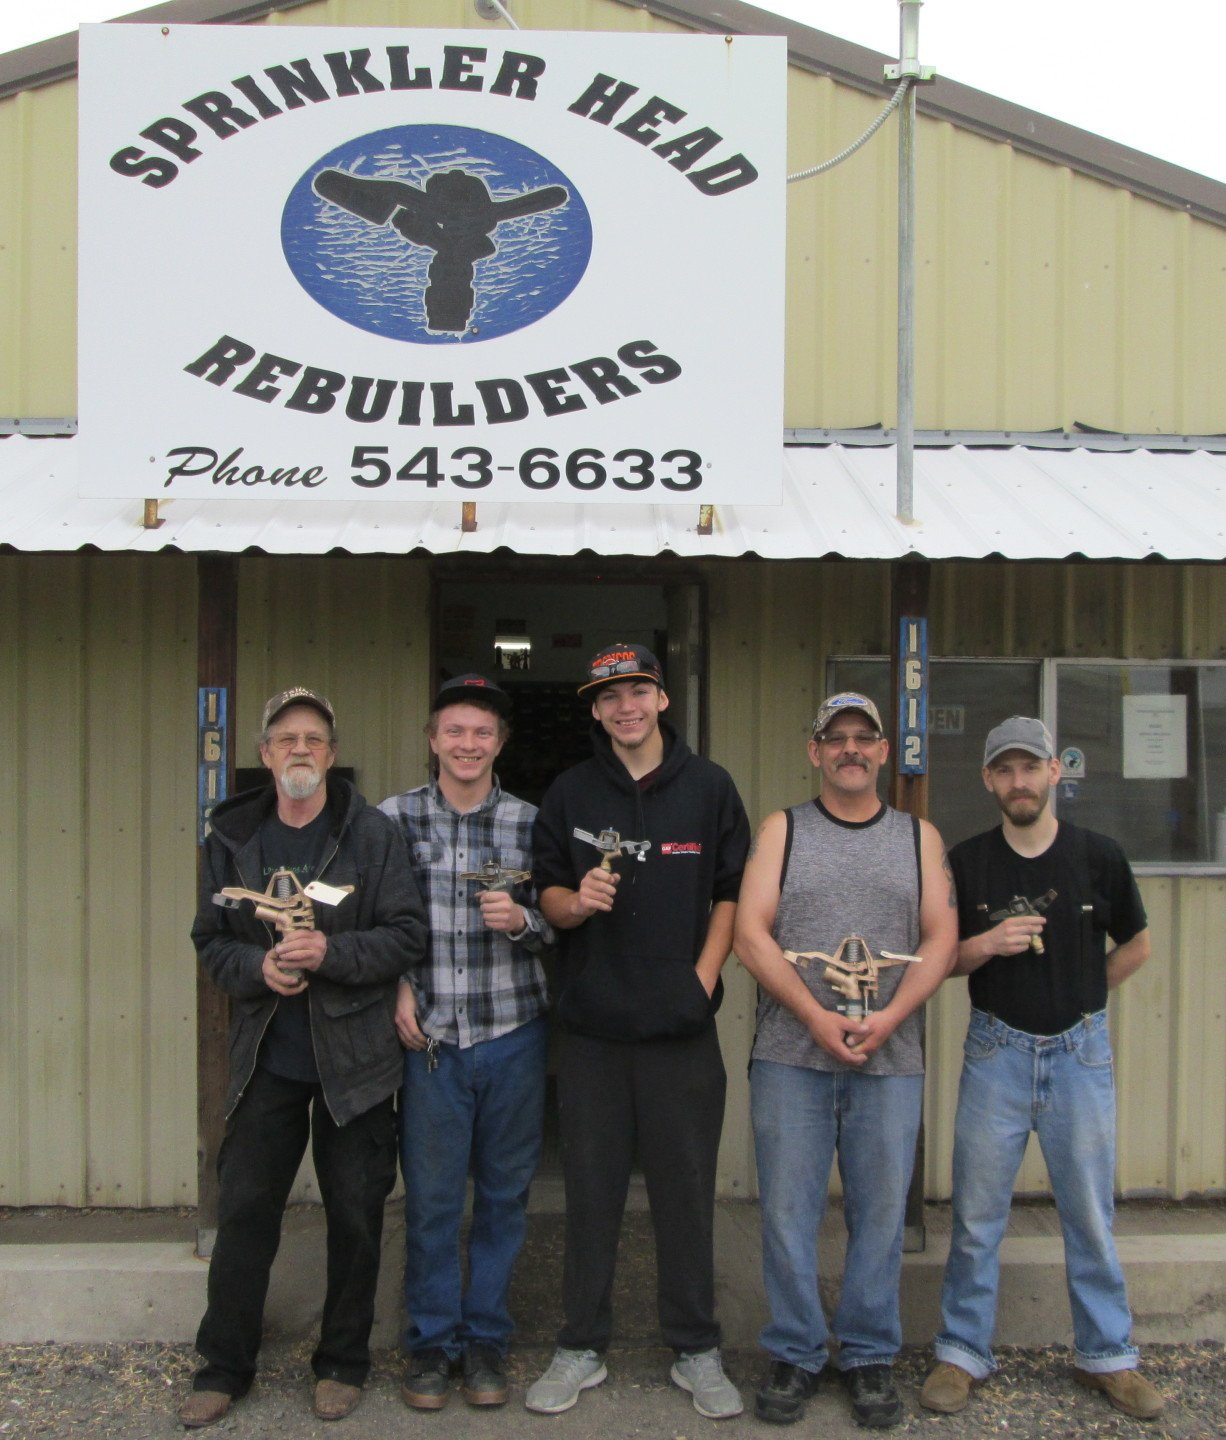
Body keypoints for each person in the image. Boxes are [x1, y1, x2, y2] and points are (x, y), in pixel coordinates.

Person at [180, 687, 427, 1429]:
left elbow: (407, 934)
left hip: (355, 1059)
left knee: (355, 1215)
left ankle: (343, 1363)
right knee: (247, 1210)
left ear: (330, 753)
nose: (299, 750)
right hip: (267, 1058)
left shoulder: (370, 834)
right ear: (263, 755)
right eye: (285, 739)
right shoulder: (232, 839)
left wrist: (330, 952)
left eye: (314, 739)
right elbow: (210, 941)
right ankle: (223, 1365)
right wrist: (257, 971)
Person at [525, 642, 751, 1421]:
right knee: (590, 1197)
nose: (625, 706)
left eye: (638, 691)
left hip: (681, 1031)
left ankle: (695, 1347)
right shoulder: (570, 792)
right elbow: (545, 898)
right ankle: (582, 1345)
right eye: (609, 695)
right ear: (594, 709)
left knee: (685, 1197)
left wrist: (703, 979)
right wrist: (576, 902)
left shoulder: (710, 788)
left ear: (661, 699)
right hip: (592, 1032)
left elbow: (731, 893)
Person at [919, 716, 1163, 1421]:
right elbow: (944, 962)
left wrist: (1085, 997)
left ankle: (1108, 1357)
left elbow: (1138, 945)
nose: (1019, 781)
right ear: (990, 780)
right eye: (1005, 770)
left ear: (1056, 772)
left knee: (1088, 1213)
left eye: (1031, 768)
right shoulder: (968, 862)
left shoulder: (1099, 856)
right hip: (996, 1050)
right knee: (976, 1215)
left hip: (1079, 1053)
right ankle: (961, 1353)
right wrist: (989, 941)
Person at [733, 691, 957, 1429]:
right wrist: (814, 1015)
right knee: (789, 1215)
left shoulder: (918, 837)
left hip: (890, 1062)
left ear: (884, 753)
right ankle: (796, 1351)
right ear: (815, 750)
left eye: (865, 738)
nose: (851, 749)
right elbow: (751, 933)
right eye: (837, 738)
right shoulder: (783, 830)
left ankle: (866, 1356)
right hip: (791, 1056)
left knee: (881, 1214)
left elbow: (941, 936)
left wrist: (890, 1018)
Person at [378, 674, 553, 1411]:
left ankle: (485, 1342)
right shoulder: (391, 820)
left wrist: (524, 923)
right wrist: (396, 982)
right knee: (433, 1202)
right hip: (434, 1043)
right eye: (454, 731)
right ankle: (430, 1345)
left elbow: (564, 926)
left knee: (506, 1197)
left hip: (515, 1032)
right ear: (432, 739)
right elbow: (373, 920)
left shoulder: (532, 825)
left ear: (500, 743)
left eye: (482, 732)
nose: (468, 744)